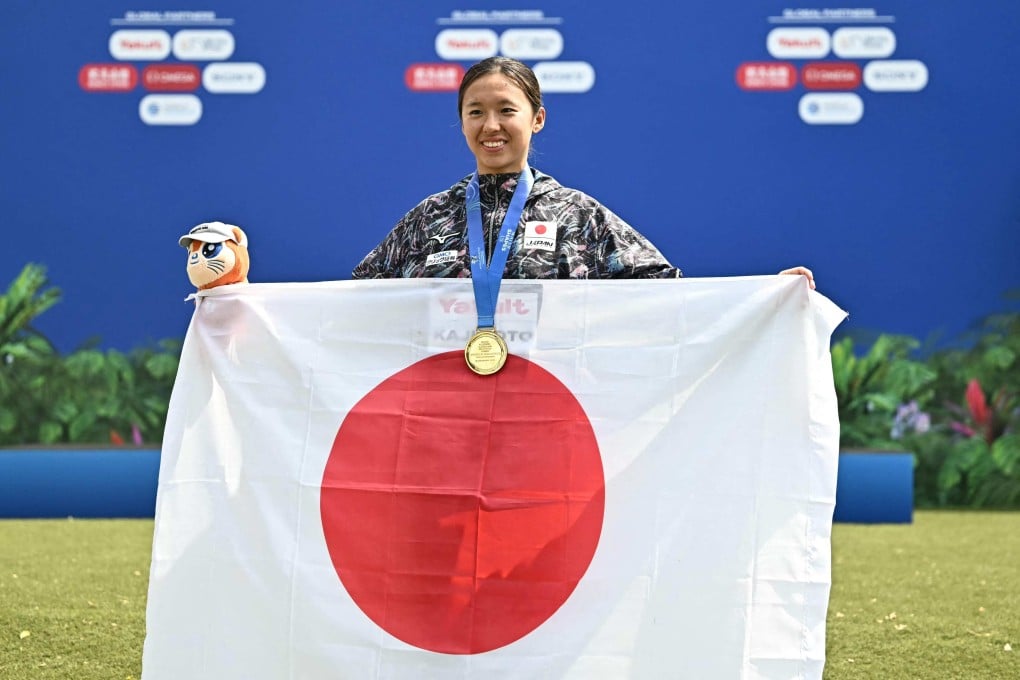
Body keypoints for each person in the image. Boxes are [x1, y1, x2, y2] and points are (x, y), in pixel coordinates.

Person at [353, 56, 814, 288]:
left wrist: (763, 298)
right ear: (462, 122)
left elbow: (666, 298)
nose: (490, 126)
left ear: (537, 119)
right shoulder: (428, 220)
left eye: (506, 110)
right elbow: (349, 306)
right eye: (475, 112)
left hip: (548, 420)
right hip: (440, 420)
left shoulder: (578, 215)